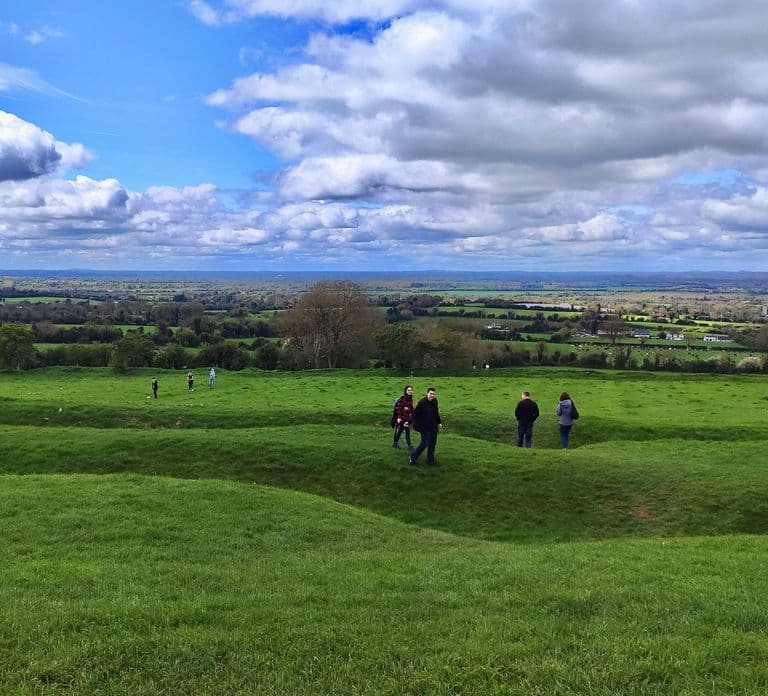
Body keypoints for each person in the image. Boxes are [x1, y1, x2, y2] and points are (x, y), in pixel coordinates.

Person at [409, 387, 442, 467]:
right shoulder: (422, 402)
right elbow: (415, 413)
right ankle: (412, 457)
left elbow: (436, 413)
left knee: (432, 443)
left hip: (433, 425)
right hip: (423, 426)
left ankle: (430, 460)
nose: (432, 395)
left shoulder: (435, 401)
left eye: (433, 394)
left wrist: (439, 422)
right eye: (430, 394)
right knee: (424, 443)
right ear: (427, 393)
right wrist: (408, 422)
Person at [392, 385, 414, 450]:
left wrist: (408, 410)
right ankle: (409, 446)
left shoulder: (410, 399)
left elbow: (411, 409)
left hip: (406, 417)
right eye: (408, 390)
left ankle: (395, 443)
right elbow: (398, 408)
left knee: (400, 430)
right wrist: (398, 418)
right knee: (407, 431)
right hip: (402, 417)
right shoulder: (403, 398)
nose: (410, 391)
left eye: (411, 390)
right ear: (405, 391)